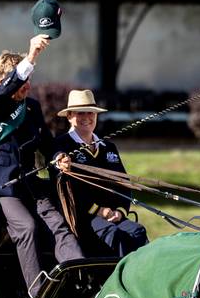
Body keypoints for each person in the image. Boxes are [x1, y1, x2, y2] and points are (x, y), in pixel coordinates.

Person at [0, 30, 83, 298]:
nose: (28, 86)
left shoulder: (30, 107)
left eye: (29, 80)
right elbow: (4, 93)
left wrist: (58, 156)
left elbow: (46, 142)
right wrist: (31, 55)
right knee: (27, 227)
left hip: (29, 184)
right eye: (22, 82)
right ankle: (37, 292)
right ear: (3, 80)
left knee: (59, 223)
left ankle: (78, 279)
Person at [51, 89, 148, 257]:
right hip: (84, 218)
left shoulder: (108, 147)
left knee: (138, 232)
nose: (86, 117)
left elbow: (123, 183)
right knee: (113, 235)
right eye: (80, 113)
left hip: (113, 215)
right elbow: (67, 187)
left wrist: (120, 211)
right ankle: (114, 281)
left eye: (91, 112)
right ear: (69, 116)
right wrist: (98, 210)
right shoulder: (61, 146)